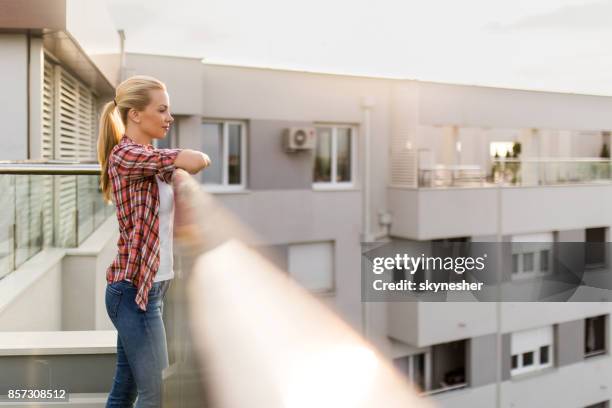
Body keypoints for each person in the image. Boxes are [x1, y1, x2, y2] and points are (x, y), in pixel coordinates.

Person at [97, 75, 210, 407]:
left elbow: (192, 162)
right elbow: (195, 159)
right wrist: (183, 164)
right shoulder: (128, 156)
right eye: (161, 110)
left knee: (126, 388)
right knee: (158, 393)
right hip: (134, 292)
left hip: (152, 288)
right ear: (135, 114)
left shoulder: (148, 157)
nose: (169, 118)